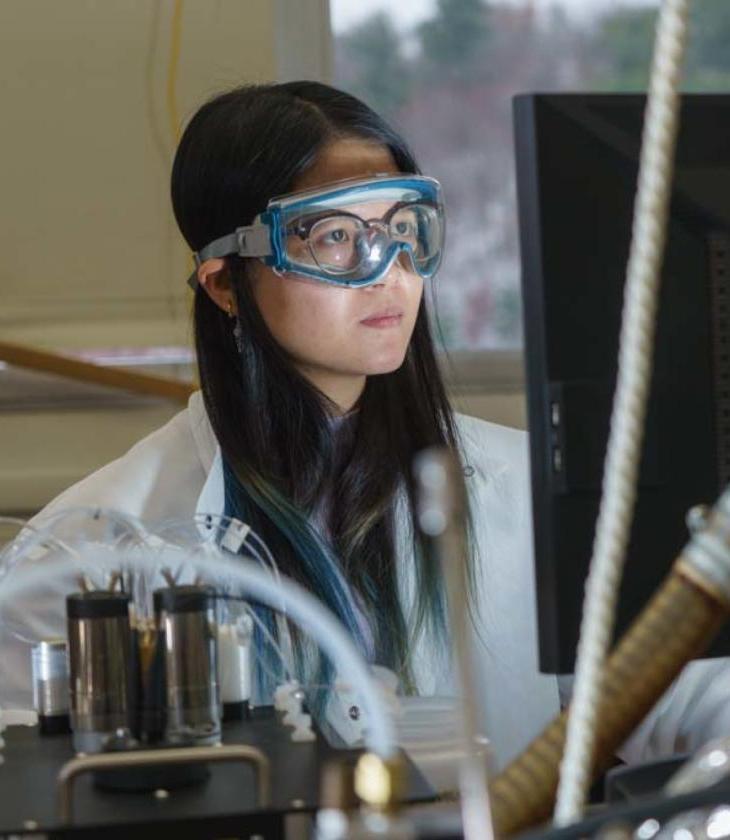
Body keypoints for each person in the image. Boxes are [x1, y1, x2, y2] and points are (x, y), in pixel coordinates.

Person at [9, 81, 730, 774]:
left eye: (403, 228)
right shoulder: (88, 551)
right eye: (333, 236)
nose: (389, 271)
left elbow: (690, 697)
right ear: (226, 283)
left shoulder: (539, 499)